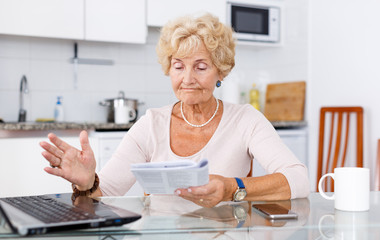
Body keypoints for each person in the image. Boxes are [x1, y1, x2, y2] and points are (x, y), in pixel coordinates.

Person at [40, 13, 310, 208]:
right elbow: (104, 195)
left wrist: (231, 188)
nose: (188, 78)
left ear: (221, 71)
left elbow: (298, 179)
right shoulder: (151, 124)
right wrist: (87, 183)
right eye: (179, 66)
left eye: (201, 67)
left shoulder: (245, 120)